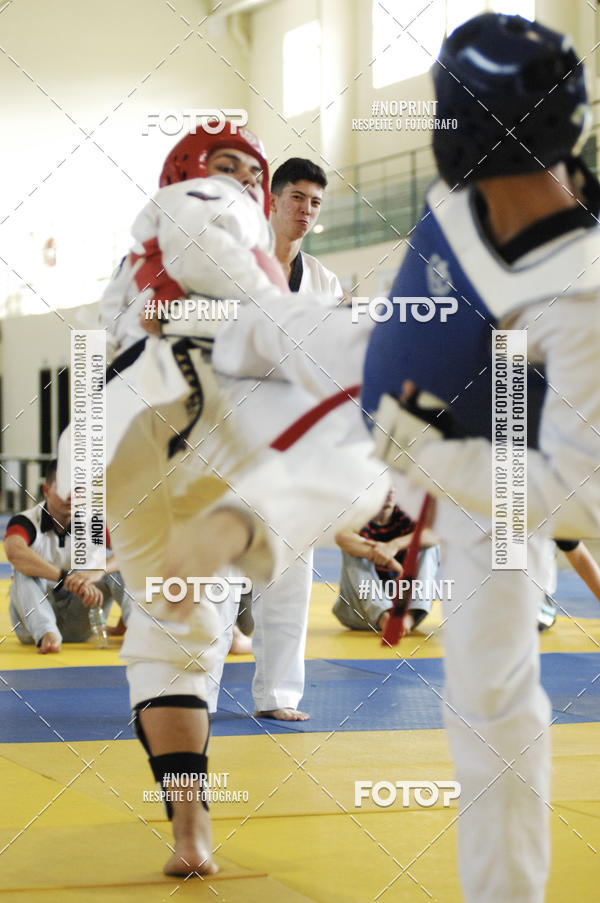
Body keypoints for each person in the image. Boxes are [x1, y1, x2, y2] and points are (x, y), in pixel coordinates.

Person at [98, 121, 386, 877]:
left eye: (248, 175)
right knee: (175, 643)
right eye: (224, 166)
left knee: (359, 467)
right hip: (185, 447)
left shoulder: (295, 278)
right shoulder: (169, 245)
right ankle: (188, 816)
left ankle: (200, 811)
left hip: (248, 460)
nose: (238, 184)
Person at [362, 13, 600, 903]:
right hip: (486, 447)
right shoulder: (463, 208)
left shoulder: (583, 289)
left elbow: (581, 500)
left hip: (525, 463)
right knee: (486, 696)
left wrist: (428, 460)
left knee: (494, 700)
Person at [249, 157, 345, 723]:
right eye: (298, 198)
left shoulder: (325, 282)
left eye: (315, 203)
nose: (306, 210)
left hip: (295, 443)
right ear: (273, 199)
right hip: (231, 435)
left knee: (288, 573)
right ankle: (189, 693)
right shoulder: (234, 267)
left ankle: (280, 694)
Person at [5, 460, 127, 654]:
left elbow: (130, 551)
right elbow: (14, 551)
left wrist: (96, 572)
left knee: (117, 569)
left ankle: (136, 628)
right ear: (46, 490)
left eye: (77, 489)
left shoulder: (93, 523)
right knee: (22, 571)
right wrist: (64, 578)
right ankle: (47, 634)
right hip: (32, 626)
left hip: (80, 618)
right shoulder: (27, 521)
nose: (71, 495)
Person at [333, 489, 440, 633]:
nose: (391, 490)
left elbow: (435, 535)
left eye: (393, 485)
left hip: (401, 606)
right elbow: (341, 536)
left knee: (429, 547)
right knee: (352, 550)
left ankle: (407, 618)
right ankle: (384, 617)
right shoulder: (359, 515)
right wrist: (380, 555)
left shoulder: (406, 514)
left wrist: (394, 545)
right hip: (360, 612)